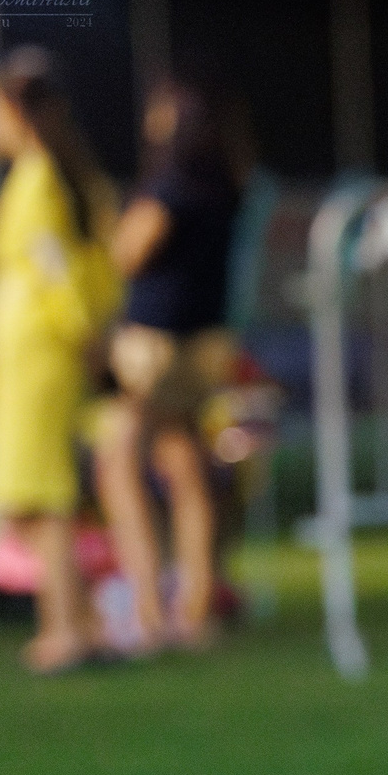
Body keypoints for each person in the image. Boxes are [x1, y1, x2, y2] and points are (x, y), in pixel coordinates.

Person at [0, 51, 120, 674]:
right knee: (38, 496)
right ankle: (83, 623)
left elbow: (54, 270)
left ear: (14, 113)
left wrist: (82, 336)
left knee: (40, 498)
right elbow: (96, 268)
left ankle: (65, 628)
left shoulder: (37, 178)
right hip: (44, 353)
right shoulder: (74, 176)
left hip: (37, 357)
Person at [93, 76, 245, 652]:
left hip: (156, 345)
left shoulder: (171, 183)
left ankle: (149, 610)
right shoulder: (225, 184)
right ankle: (198, 606)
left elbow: (129, 251)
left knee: (119, 463)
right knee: (184, 465)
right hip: (207, 344)